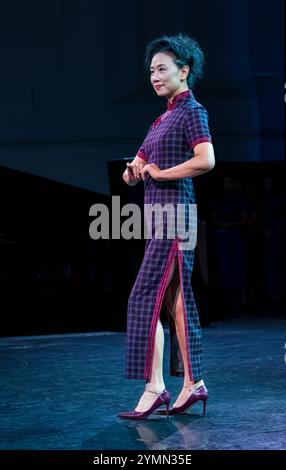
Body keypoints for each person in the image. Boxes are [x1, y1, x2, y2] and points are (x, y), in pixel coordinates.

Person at [118, 33, 215, 420]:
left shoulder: (192, 110)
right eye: (151, 71)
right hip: (159, 217)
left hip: (176, 215)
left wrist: (159, 171)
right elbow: (136, 169)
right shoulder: (161, 118)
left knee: (144, 298)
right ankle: (193, 384)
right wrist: (133, 171)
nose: (154, 76)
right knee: (175, 301)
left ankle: (155, 386)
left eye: (162, 69)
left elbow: (206, 160)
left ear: (184, 70)